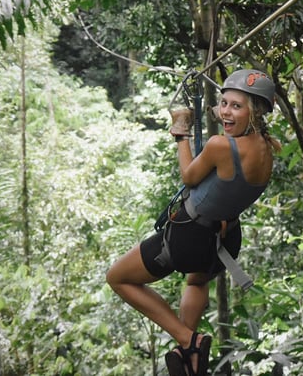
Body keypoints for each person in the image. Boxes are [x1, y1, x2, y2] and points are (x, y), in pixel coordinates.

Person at [106, 69, 281, 376]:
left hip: (191, 234)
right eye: (224, 103)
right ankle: (192, 359)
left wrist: (180, 133)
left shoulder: (221, 146)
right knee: (196, 280)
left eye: (236, 106)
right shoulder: (268, 147)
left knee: (118, 277)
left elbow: (189, 177)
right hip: (226, 237)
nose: (225, 112)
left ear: (254, 112)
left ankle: (189, 339)